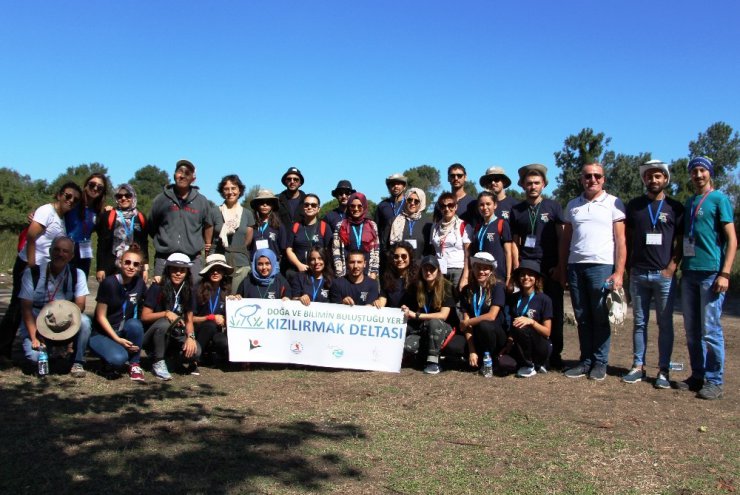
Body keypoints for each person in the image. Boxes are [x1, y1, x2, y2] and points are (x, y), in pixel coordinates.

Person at [0, 182, 82, 359]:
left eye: (75, 200)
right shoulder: (47, 211)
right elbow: (31, 236)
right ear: (59, 194)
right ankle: (3, 349)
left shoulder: (60, 217)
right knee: (17, 306)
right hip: (30, 265)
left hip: (43, 268)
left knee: (29, 306)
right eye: (68, 196)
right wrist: (31, 265)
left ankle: (23, 345)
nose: (70, 201)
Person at [560, 162, 626, 381]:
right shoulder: (572, 205)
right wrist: (563, 268)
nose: (592, 180)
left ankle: (600, 362)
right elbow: (566, 240)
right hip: (575, 266)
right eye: (588, 176)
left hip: (601, 266)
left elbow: (621, 240)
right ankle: (585, 360)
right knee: (582, 316)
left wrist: (619, 272)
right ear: (582, 179)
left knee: (599, 315)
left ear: (603, 179)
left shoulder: (614, 203)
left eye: (597, 176)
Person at [677, 157, 737, 400]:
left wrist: (725, 273)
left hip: (711, 273)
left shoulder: (719, 199)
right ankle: (697, 375)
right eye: (694, 171)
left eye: (702, 170)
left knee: (710, 329)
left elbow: (732, 239)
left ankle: (715, 380)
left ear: (710, 173)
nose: (698, 175)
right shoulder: (690, 202)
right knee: (692, 330)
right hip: (689, 271)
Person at [622, 160, 684, 388]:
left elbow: (681, 241)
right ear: (644, 179)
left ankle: (664, 371)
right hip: (638, 273)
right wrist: (628, 268)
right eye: (649, 176)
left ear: (665, 179)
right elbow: (626, 239)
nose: (654, 180)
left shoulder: (675, 207)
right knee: (639, 323)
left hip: (664, 275)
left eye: (658, 176)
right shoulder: (635, 206)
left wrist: (672, 267)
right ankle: (638, 366)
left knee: (665, 324)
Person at [510, 163, 565, 368]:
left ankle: (555, 354)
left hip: (549, 266)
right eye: (529, 183)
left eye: (536, 183)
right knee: (525, 309)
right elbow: (515, 241)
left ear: (543, 185)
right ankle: (528, 353)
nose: (532, 186)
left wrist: (561, 265)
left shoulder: (553, 207)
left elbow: (561, 238)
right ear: (523, 185)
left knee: (554, 311)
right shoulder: (517, 210)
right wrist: (517, 265)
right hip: (527, 266)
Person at [17, 236, 91, 377]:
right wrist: (34, 337)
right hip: (38, 321)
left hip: (64, 320)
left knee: (85, 322)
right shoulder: (32, 273)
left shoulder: (78, 274)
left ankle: (78, 362)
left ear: (71, 256)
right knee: (35, 358)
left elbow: (80, 304)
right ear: (50, 251)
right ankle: (48, 352)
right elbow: (26, 309)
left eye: (65, 251)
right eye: (56, 250)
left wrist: (64, 324)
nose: (60, 254)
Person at [148, 159, 214, 282]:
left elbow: (208, 224)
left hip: (193, 258)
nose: (182, 175)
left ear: (193, 179)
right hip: (164, 257)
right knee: (161, 294)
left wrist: (207, 244)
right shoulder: (161, 199)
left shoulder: (201, 201)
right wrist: (165, 240)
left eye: (187, 173)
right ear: (174, 175)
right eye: (180, 171)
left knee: (195, 294)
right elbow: (152, 225)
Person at [89, 244, 147, 381]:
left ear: (139, 268)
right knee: (119, 359)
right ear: (120, 263)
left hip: (122, 329)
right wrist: (117, 339)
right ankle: (107, 358)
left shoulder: (139, 283)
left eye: (135, 264)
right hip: (103, 332)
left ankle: (134, 363)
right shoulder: (109, 283)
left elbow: (147, 306)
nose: (131, 266)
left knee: (135, 324)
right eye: (127, 262)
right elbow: (100, 316)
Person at [141, 252, 201, 380]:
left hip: (176, 334)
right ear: (168, 270)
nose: (178, 273)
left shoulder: (189, 290)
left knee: (196, 351)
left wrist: (190, 337)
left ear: (187, 273)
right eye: (174, 269)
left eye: (182, 270)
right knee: (165, 322)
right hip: (152, 334)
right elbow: (145, 316)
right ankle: (158, 359)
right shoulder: (157, 287)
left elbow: (189, 319)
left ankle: (170, 359)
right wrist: (166, 313)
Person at [400, 256, 455, 375]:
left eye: (432, 269)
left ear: (438, 271)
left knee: (434, 322)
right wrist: (406, 310)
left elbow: (443, 315)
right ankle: (421, 356)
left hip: (442, 328)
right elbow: (410, 309)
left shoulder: (447, 286)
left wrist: (417, 315)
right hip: (422, 329)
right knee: (406, 347)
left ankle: (433, 362)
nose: (428, 272)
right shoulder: (416, 286)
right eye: (425, 269)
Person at [459, 252, 507, 374]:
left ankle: (492, 360)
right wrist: (472, 350)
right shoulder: (467, 290)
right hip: (476, 335)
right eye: (478, 267)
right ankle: (477, 357)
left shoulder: (498, 287)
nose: (481, 271)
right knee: (454, 346)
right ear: (473, 268)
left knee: (484, 325)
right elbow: (466, 325)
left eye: (485, 268)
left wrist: (468, 322)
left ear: (491, 270)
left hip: (495, 334)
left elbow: (491, 316)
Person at [505, 260, 553, 378]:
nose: (526, 277)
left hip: (540, 344)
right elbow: (512, 326)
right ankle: (532, 364)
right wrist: (509, 343)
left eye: (530, 274)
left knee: (522, 325)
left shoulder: (544, 299)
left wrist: (531, 322)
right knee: (504, 364)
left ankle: (532, 364)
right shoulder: (514, 298)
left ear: (536, 278)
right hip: (520, 344)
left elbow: (547, 332)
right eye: (522, 274)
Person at [95, 183, 149, 282]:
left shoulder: (140, 217)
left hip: (133, 265)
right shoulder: (108, 215)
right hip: (112, 265)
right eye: (119, 196)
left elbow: (144, 243)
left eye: (128, 195)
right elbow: (102, 243)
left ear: (133, 197)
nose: (123, 198)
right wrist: (100, 268)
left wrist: (145, 268)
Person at [213, 175, 254, 292]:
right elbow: (209, 240)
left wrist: (236, 251)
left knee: (238, 300)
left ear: (239, 190)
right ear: (222, 191)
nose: (230, 192)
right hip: (219, 264)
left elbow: (247, 242)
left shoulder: (247, 214)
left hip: (241, 265)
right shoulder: (215, 211)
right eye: (226, 189)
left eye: (233, 188)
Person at [192, 254, 233, 368]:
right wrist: (210, 318)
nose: (215, 273)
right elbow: (189, 318)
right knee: (209, 325)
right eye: (212, 270)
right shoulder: (197, 289)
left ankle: (211, 356)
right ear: (207, 272)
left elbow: (229, 317)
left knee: (224, 342)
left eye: (219, 270)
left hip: (217, 331)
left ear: (224, 272)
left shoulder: (227, 290)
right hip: (197, 330)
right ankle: (195, 357)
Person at [431, 192, 472, 292]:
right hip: (439, 270)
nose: (447, 209)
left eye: (450, 205)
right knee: (440, 302)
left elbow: (468, 254)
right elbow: (434, 249)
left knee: (457, 304)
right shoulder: (435, 227)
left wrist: (465, 277)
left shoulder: (464, 226)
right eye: (443, 206)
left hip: (458, 270)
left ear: (456, 206)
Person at [332, 192, 380, 278]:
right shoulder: (341, 225)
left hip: (367, 273)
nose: (356, 209)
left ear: (364, 206)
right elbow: (336, 250)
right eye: (352, 206)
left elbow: (376, 250)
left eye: (359, 206)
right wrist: (340, 273)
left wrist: (374, 272)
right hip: (346, 273)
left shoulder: (372, 225)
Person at [471, 191, 513, 287]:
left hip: (497, 275)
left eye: (488, 204)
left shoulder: (501, 224)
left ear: (495, 205)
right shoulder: (478, 227)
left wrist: (509, 276)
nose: (485, 207)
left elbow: (508, 253)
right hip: (481, 275)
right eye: (481, 205)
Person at [284, 193, 332, 277]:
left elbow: (329, 251)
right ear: (303, 207)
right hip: (299, 272)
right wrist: (298, 264)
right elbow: (289, 249)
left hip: (319, 273)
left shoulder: (324, 227)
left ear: (318, 209)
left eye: (313, 205)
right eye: (306, 205)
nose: (309, 207)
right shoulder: (296, 226)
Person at [385, 188, 432, 262]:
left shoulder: (428, 223)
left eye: (416, 201)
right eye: (409, 200)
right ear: (405, 200)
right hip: (398, 266)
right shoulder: (394, 221)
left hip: (420, 269)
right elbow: (385, 246)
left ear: (421, 203)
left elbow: (430, 250)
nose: (412, 203)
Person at [375, 242, 417, 309]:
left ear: (410, 257)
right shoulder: (387, 277)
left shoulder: (417, 278)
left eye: (404, 256)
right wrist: (379, 303)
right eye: (396, 256)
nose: (400, 259)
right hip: (393, 317)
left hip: (411, 317)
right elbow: (383, 297)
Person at [249, 189, 285, 262]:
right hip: (254, 264)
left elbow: (283, 248)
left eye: (268, 203)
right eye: (261, 202)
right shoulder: (251, 225)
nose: (265, 205)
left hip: (273, 264)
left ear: (273, 205)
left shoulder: (278, 226)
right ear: (257, 205)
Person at [375, 173, 408, 242]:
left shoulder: (409, 205)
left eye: (398, 184)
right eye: (392, 184)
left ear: (404, 186)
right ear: (388, 187)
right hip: (386, 249)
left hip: (404, 247)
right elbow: (377, 229)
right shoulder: (382, 206)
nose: (396, 186)